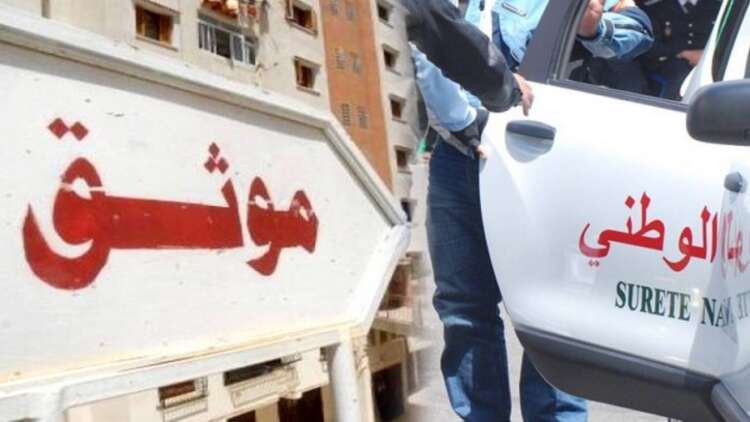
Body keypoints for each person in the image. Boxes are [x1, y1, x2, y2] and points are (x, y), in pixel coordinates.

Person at [403, 1, 654, 421]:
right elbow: (422, 43)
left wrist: (594, 29)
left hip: (542, 156)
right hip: (457, 155)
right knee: (464, 311)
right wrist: (461, 122)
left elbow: (637, 31)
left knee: (556, 310)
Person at [637, 0, 721, 100]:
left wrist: (706, 55)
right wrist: (682, 53)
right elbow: (649, 44)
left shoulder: (718, 6)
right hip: (670, 62)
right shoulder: (655, 7)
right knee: (680, 77)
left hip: (711, 61)